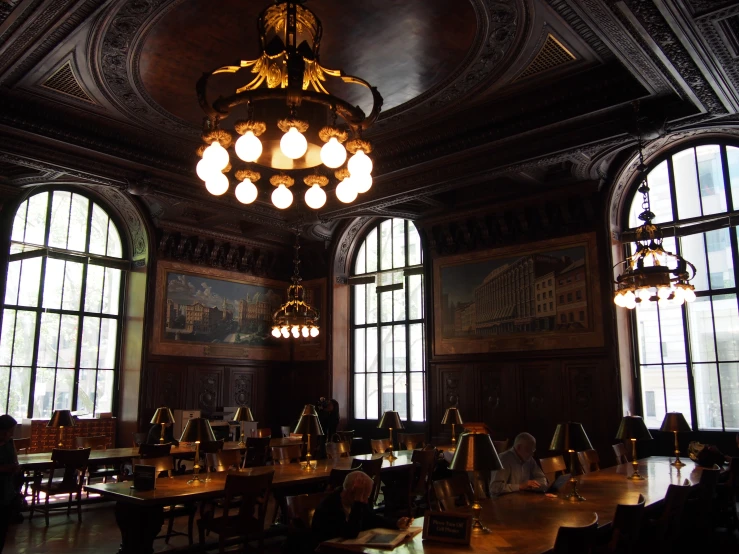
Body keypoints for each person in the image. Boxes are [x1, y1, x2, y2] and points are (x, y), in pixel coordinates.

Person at [312, 471, 412, 546]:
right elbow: (351, 532)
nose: (365, 501)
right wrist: (358, 501)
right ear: (351, 492)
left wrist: (395, 523)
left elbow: (371, 519)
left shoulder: (354, 501)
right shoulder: (329, 506)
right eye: (364, 496)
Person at [0, 415, 19, 553]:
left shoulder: (9, 443)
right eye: (9, 431)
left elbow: (14, 461)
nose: (10, 434)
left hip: (6, 490)